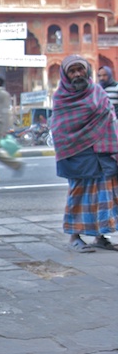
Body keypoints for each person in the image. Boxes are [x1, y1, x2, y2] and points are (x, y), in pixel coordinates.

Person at [51, 55, 118, 252]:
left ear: (87, 71)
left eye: (80, 70)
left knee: (105, 195)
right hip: (78, 153)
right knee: (79, 195)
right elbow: (60, 128)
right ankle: (74, 237)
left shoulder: (97, 91)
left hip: (103, 152)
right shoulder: (61, 97)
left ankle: (100, 236)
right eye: (72, 71)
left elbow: (110, 118)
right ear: (65, 75)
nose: (77, 74)